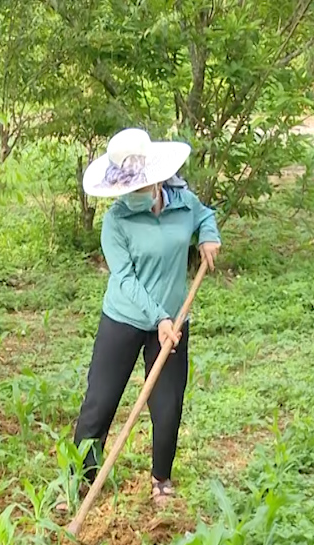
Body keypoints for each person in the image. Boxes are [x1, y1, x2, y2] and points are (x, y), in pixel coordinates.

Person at [70, 128, 221, 508]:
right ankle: (81, 479)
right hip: (125, 317)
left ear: (154, 179)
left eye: (137, 186)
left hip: (173, 319)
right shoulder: (116, 222)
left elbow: (205, 216)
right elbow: (125, 279)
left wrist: (208, 235)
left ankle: (161, 480)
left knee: (168, 402)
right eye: (126, 188)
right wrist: (157, 317)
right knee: (100, 400)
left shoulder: (183, 202)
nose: (131, 194)